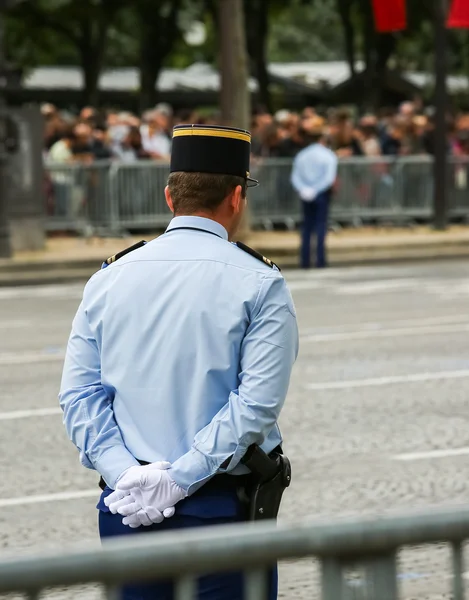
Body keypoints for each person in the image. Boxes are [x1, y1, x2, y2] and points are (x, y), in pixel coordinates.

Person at [59, 123, 299, 600]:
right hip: (220, 509)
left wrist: (125, 473)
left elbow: (79, 395)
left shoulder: (109, 276)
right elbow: (254, 406)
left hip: (128, 506)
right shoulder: (261, 282)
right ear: (236, 198)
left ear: (170, 197)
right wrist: (179, 480)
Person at [291, 116, 338, 269]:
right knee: (320, 227)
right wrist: (316, 190)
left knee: (306, 227)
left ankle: (305, 260)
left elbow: (295, 176)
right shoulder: (328, 155)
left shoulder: (302, 155)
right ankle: (320, 260)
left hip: (306, 193)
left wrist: (304, 189)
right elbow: (328, 178)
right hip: (321, 194)